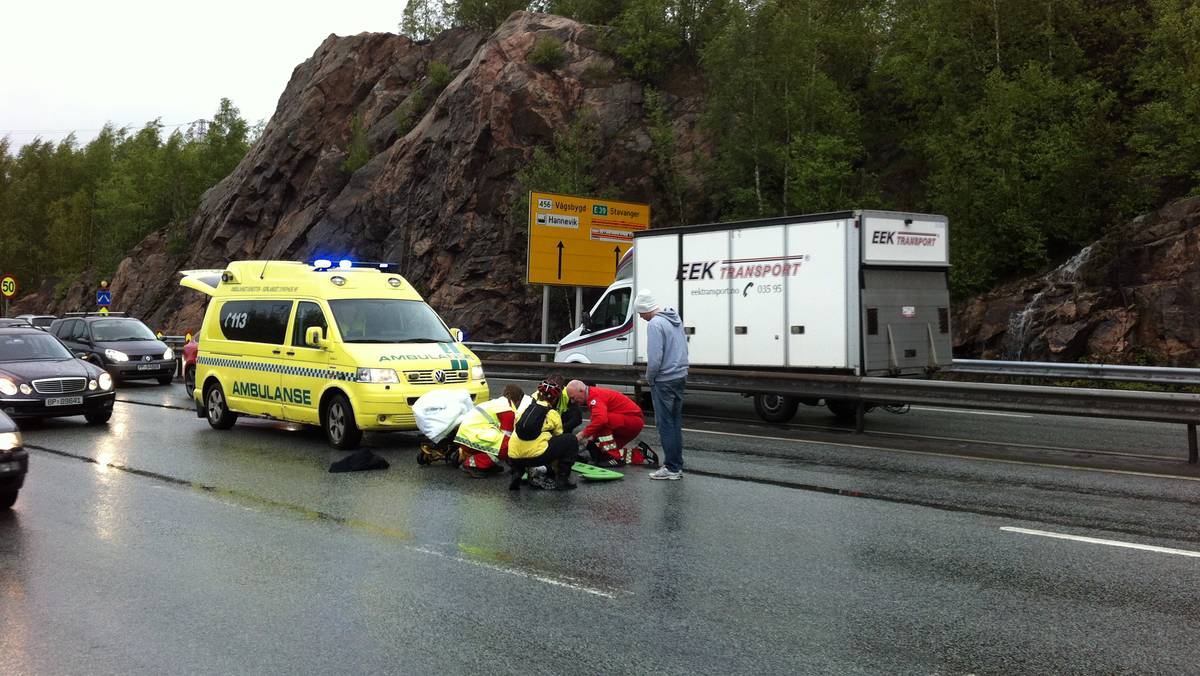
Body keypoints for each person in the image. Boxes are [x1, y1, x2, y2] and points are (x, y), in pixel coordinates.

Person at [634, 289, 688, 480]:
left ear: (646, 309)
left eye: (640, 313)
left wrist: (650, 378)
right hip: (680, 375)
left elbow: (655, 358)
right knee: (675, 422)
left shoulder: (655, 324)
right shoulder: (674, 318)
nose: (641, 317)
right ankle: (677, 465)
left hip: (664, 379)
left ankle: (671, 468)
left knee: (665, 424)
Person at [506, 380, 577, 491]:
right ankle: (562, 480)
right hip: (535, 457)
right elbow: (558, 434)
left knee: (522, 444)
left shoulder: (524, 409)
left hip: (513, 457)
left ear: (538, 394)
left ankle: (517, 473)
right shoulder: (552, 413)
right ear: (554, 399)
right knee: (570, 440)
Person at [566, 380, 645, 467]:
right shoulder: (592, 395)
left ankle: (613, 457)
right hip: (629, 422)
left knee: (602, 421)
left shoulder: (594, 397)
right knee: (600, 451)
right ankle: (641, 454)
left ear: (581, 391)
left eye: (573, 397)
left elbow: (601, 420)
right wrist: (592, 440)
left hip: (632, 421)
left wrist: (583, 434)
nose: (572, 401)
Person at [453, 385, 525, 477]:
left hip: (465, 437)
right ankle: (473, 464)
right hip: (475, 437)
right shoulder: (508, 411)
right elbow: (508, 438)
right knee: (509, 446)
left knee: (500, 444)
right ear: (518, 400)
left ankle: (464, 454)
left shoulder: (496, 403)